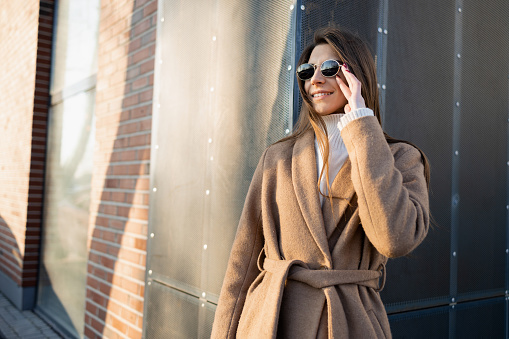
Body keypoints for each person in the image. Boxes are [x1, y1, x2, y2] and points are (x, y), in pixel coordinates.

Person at [211, 27, 430, 339]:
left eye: (330, 68)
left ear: (357, 76)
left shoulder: (401, 159)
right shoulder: (278, 158)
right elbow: (242, 262)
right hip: (273, 320)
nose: (315, 79)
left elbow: (395, 238)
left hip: (351, 324)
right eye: (307, 70)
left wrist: (361, 124)